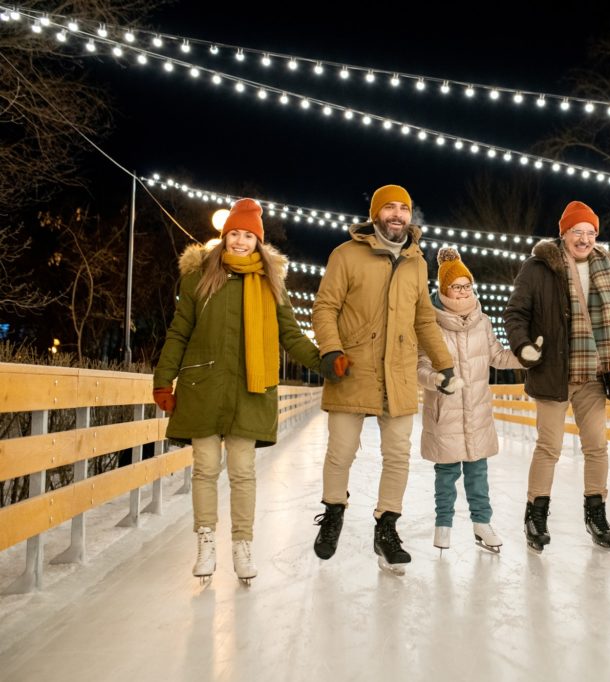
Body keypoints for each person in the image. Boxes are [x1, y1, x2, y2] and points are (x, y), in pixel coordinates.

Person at [152, 198, 320, 582]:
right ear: (224, 235)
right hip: (203, 386)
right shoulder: (199, 278)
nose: (241, 241)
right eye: (235, 234)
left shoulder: (271, 283)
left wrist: (324, 362)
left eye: (248, 235)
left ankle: (243, 546)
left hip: (250, 388)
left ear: (258, 242)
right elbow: (180, 331)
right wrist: (164, 380)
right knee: (206, 469)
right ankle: (205, 542)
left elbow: (291, 335)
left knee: (243, 472)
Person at [311, 184, 460, 575]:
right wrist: (330, 350)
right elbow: (325, 307)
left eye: (404, 209)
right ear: (376, 214)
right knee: (341, 451)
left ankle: (387, 527)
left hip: (399, 370)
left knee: (397, 455)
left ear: (410, 216)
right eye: (389, 208)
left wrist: (444, 364)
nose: (397, 215)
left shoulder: (417, 262)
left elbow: (424, 318)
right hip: (352, 368)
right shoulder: (346, 255)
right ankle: (332, 513)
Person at [504, 200, 610, 552]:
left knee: (596, 446)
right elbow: (515, 313)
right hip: (554, 373)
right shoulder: (538, 268)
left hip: (594, 374)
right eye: (577, 232)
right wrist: (523, 347)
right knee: (549, 446)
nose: (584, 239)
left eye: (590, 232)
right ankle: (535, 516)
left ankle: (596, 513)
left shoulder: (603, 267)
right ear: (563, 233)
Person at [418, 247, 523, 555]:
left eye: (467, 285)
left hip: (477, 410)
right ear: (444, 289)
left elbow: (499, 356)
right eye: (456, 286)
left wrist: (527, 358)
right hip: (445, 410)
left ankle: (482, 524)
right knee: (447, 473)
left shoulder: (483, 322)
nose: (463, 291)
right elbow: (419, 367)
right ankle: (444, 525)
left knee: (478, 473)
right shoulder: (429, 324)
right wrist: (438, 380)